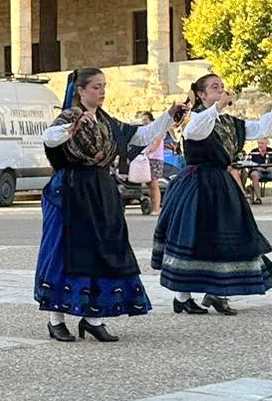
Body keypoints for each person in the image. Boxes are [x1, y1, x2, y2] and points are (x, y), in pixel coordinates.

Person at [37, 69, 186, 342]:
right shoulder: (69, 117)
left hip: (101, 191)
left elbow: (140, 136)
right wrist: (73, 127)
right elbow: (49, 138)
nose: (102, 91)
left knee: (104, 250)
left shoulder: (107, 121)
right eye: (96, 87)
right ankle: (55, 318)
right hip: (71, 191)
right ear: (81, 90)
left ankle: (93, 317)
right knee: (63, 251)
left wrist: (168, 116)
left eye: (104, 86)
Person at [152, 76, 272, 315]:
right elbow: (197, 130)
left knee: (227, 235)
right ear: (201, 95)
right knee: (195, 236)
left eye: (222, 87)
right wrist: (217, 106)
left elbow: (258, 129)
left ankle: (218, 292)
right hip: (197, 184)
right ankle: (182, 297)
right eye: (214, 88)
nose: (221, 91)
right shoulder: (193, 120)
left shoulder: (229, 122)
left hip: (221, 183)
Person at [132, 110, 166, 216]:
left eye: (146, 120)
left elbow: (157, 142)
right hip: (147, 159)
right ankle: (154, 207)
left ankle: (156, 208)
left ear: (151, 120)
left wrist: (149, 151)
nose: (144, 122)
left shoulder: (157, 130)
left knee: (154, 184)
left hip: (155, 159)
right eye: (143, 120)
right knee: (149, 184)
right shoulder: (144, 131)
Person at [245, 139, 272, 204]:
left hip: (270, 172)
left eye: (262, 143)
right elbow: (248, 164)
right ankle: (258, 198)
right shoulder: (253, 152)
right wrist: (256, 167)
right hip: (258, 172)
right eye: (259, 143)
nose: (260, 145)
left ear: (266, 143)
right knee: (254, 174)